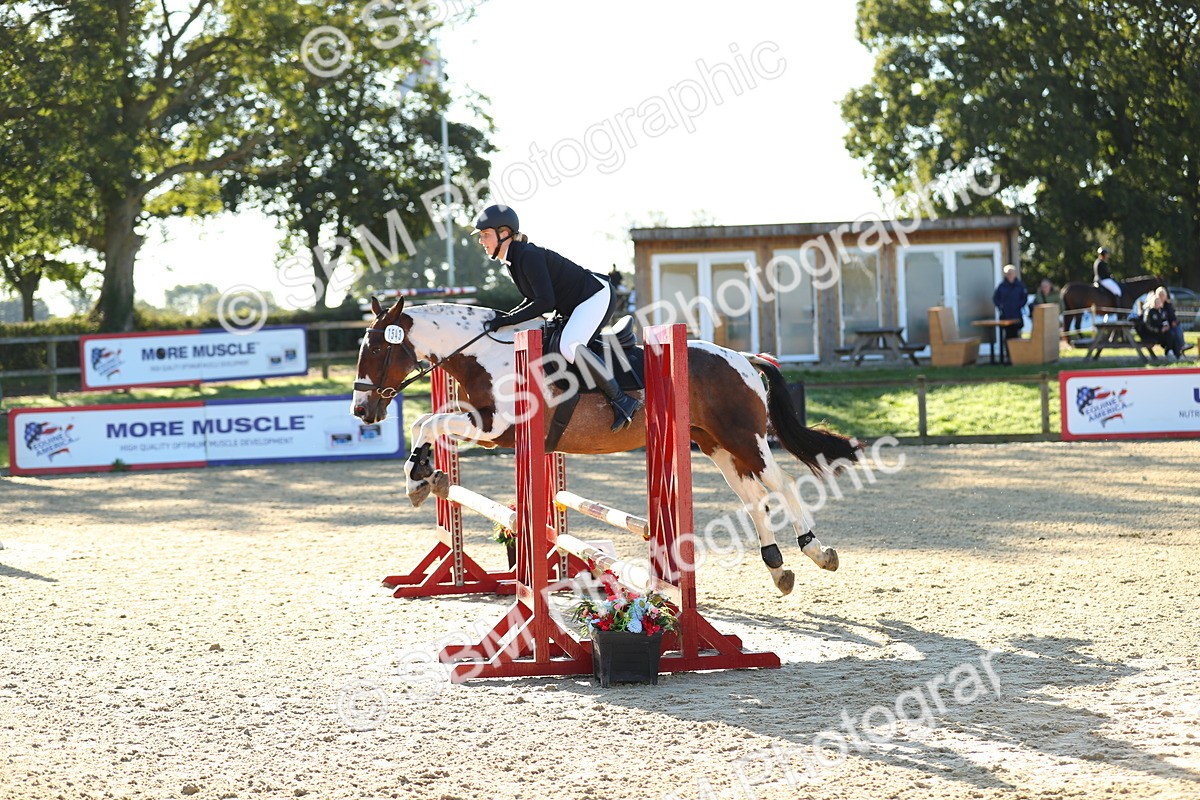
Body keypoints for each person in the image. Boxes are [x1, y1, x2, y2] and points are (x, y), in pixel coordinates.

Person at [472, 204, 642, 430]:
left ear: (504, 233)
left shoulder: (527, 256)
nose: (481, 241)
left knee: (570, 346)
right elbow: (532, 299)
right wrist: (506, 318)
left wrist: (508, 320)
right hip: (578, 303)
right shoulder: (513, 260)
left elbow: (545, 302)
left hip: (595, 297)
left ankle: (622, 400)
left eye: (485, 235)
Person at [993, 264, 1028, 339]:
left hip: (1017, 314)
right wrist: (1001, 306)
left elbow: (1024, 297)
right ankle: (1008, 350)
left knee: (1016, 335)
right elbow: (996, 298)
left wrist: (1019, 305)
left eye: (1012, 273)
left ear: (1015, 274)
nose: (1010, 275)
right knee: (1008, 335)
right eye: (1008, 273)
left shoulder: (1020, 285)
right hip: (1006, 315)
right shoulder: (1002, 286)